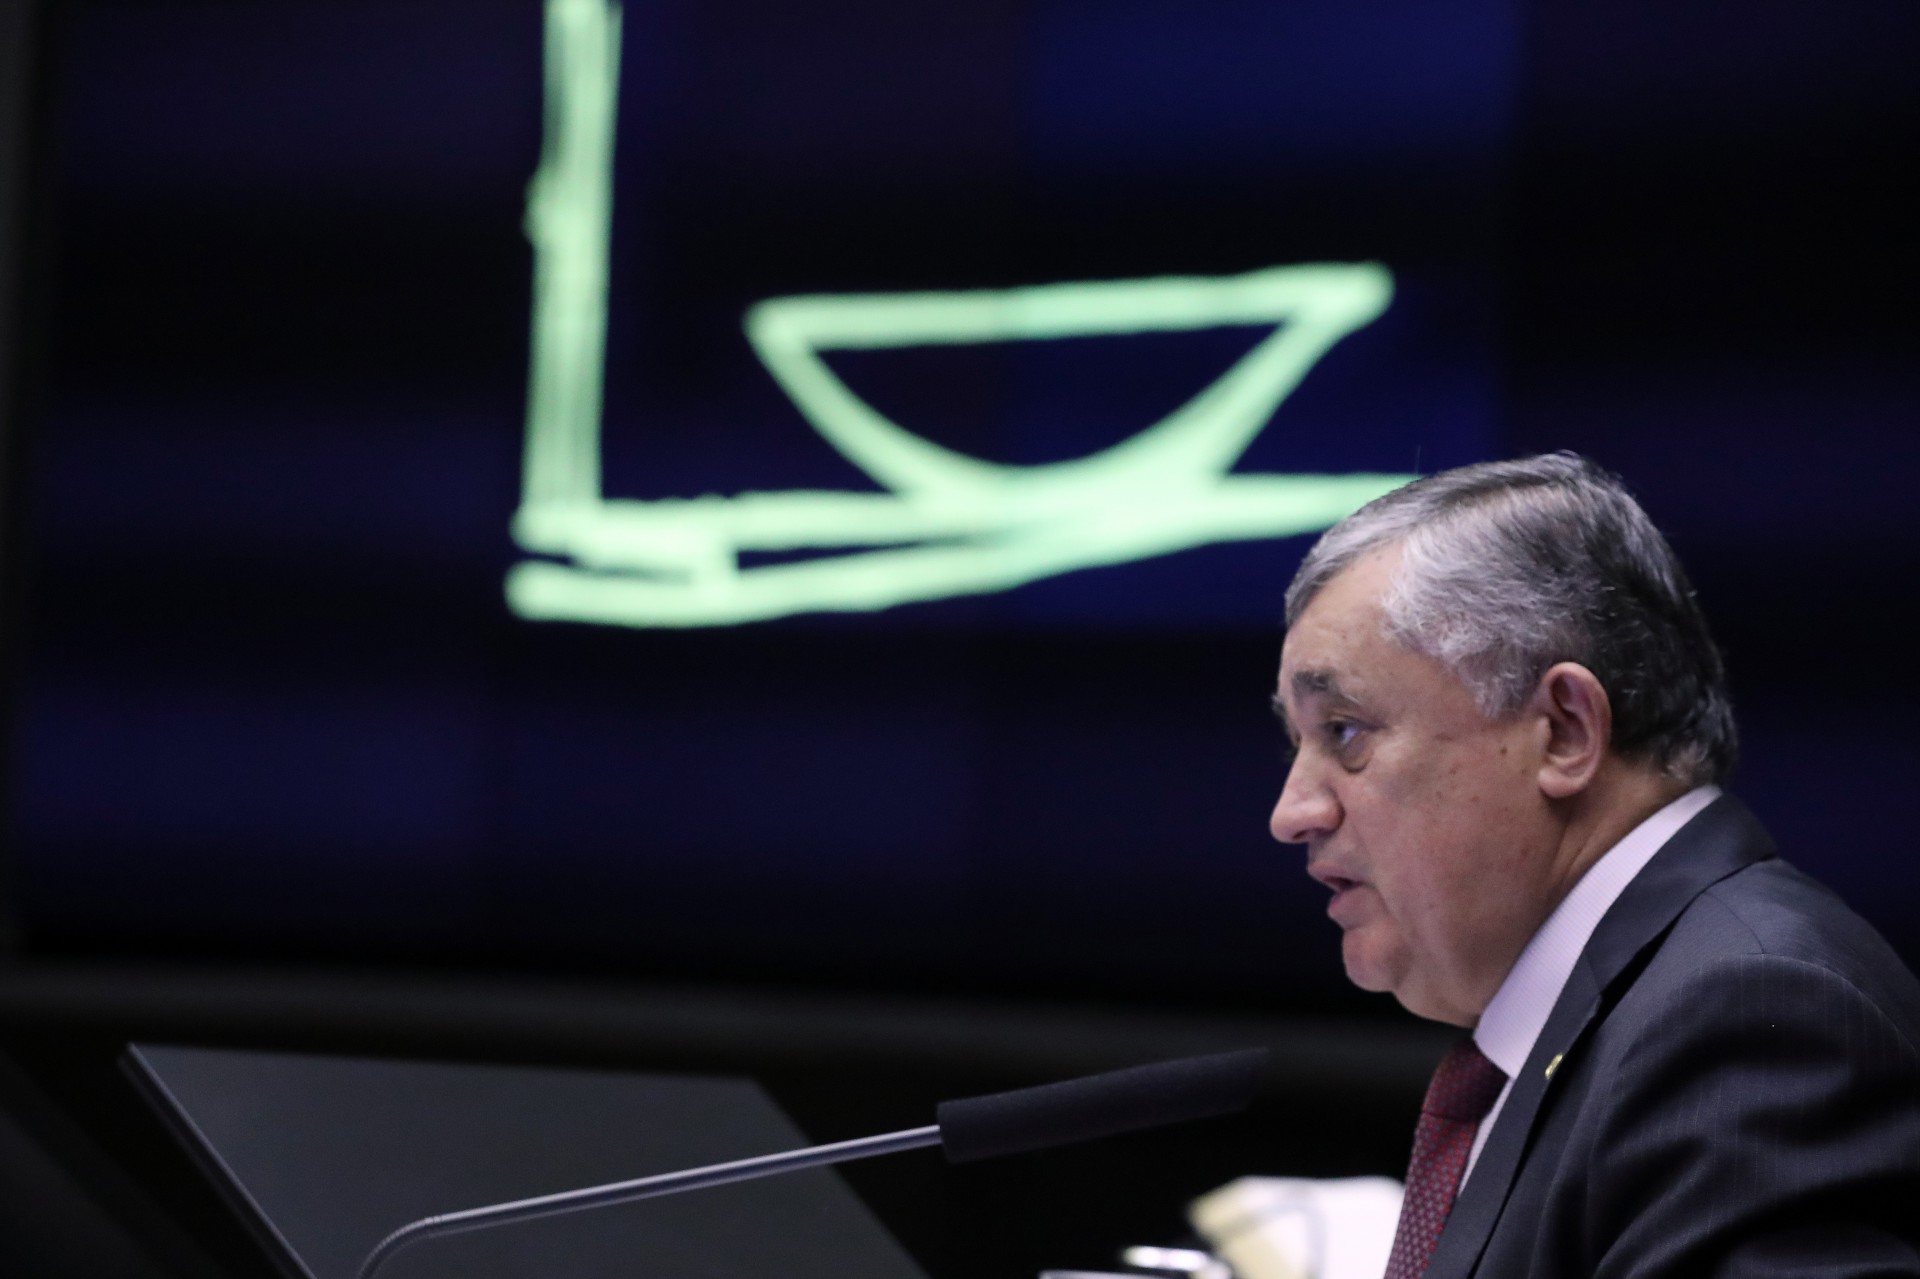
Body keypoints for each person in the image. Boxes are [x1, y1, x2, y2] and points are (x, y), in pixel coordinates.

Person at [1267, 453, 1920, 1278]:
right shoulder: (1615, 1017)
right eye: (1297, 743)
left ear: (1566, 730)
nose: (1293, 813)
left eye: (1346, 731)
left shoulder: (1750, 1012)